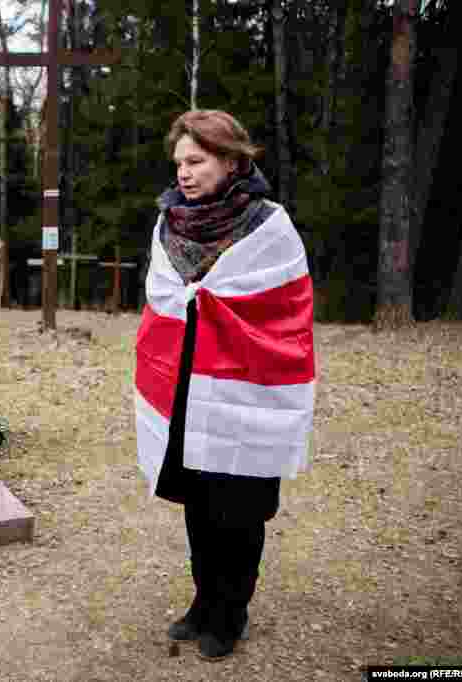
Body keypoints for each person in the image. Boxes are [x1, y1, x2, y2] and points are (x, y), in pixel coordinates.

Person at [134, 110, 316, 660]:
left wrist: (218, 306)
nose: (183, 174)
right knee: (197, 497)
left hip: (245, 379)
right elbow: (162, 293)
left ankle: (229, 613)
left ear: (231, 161)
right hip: (187, 379)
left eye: (196, 161)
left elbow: (285, 304)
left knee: (235, 502)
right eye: (179, 163)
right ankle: (202, 601)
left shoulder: (268, 224)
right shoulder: (171, 223)